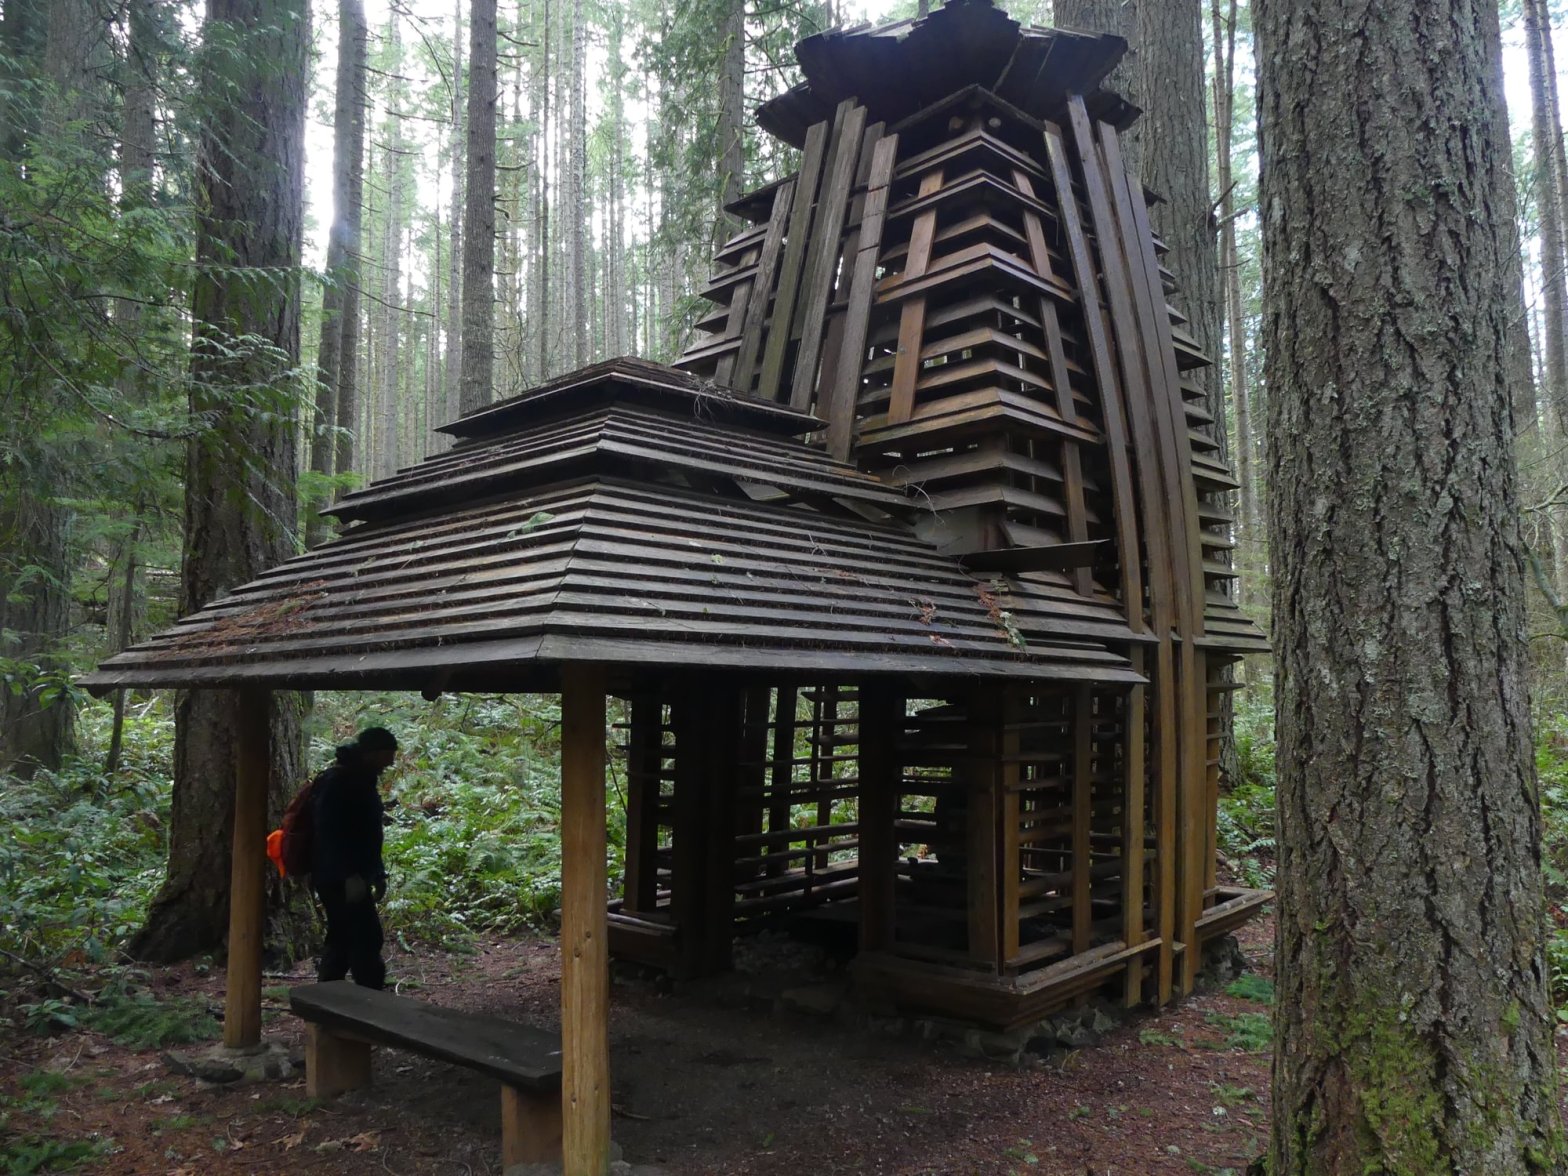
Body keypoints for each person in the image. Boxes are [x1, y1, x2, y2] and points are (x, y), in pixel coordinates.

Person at [311, 726, 398, 989]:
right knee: (365, 937)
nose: (391, 762)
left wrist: (376, 873)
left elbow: (367, 834)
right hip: (339, 877)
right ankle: (369, 999)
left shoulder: (360, 778)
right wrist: (348, 875)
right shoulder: (339, 781)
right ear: (372, 753)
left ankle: (330, 996)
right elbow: (329, 832)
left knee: (343, 935)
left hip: (349, 874)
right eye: (388, 754)